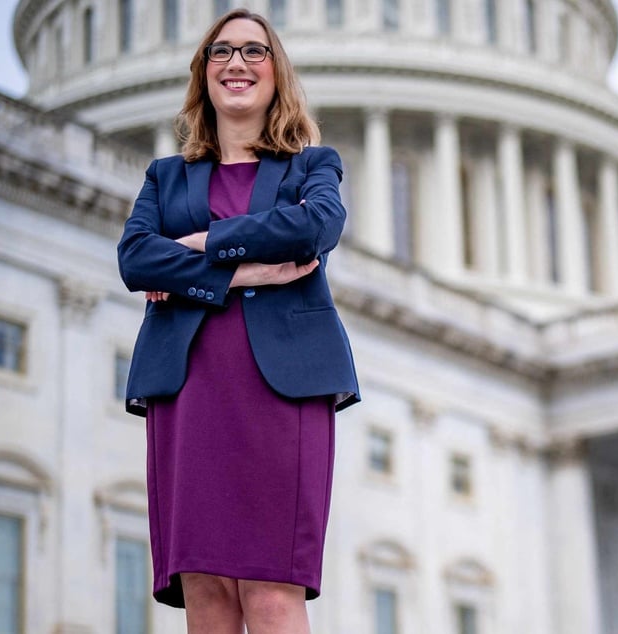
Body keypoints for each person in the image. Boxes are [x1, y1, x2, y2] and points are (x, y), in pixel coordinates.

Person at [116, 8, 360, 633]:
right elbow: (136, 257)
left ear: (277, 73)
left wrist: (197, 246)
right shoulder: (166, 177)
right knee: (207, 594)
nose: (237, 64)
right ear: (203, 75)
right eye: (221, 52)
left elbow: (313, 228)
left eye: (254, 52)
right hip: (190, 389)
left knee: (274, 593)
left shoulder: (313, 166)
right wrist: (243, 272)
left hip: (282, 391)